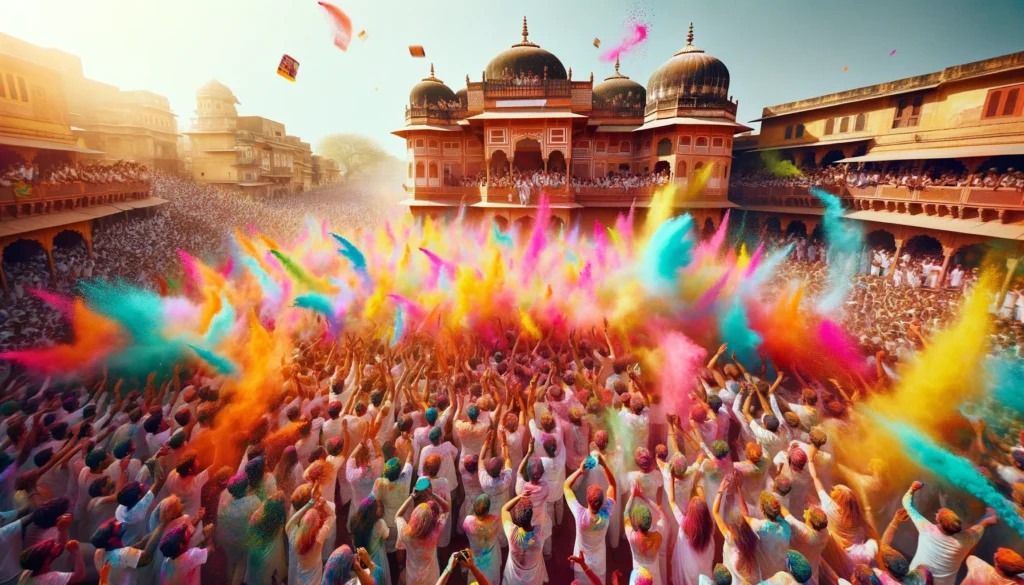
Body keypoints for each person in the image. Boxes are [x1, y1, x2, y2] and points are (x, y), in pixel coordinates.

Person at [901, 481, 998, 585]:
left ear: (939, 521)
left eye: (938, 514)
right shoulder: (965, 541)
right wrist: (991, 515)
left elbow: (907, 504)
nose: (937, 513)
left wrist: (912, 489)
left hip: (915, 581)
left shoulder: (927, 529)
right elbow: (983, 524)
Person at [565, 453, 617, 585]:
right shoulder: (606, 513)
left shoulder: (579, 514)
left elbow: (566, 486)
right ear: (603, 502)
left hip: (581, 561)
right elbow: (612, 485)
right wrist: (604, 465)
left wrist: (580, 470)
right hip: (599, 562)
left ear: (587, 500)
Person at [395, 484, 450, 585]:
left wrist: (412, 496)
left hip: (413, 577)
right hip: (431, 575)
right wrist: (432, 493)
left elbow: (398, 515)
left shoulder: (406, 534)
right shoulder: (435, 531)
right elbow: (446, 509)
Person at [668, 476, 714, 585]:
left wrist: (671, 477)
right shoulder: (708, 525)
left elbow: (672, 501)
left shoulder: (684, 524)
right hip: (703, 564)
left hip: (688, 567)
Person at [216, 474, 258, 585]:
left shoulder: (224, 496)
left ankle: (229, 580)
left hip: (227, 540)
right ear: (245, 488)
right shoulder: (252, 502)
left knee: (231, 561)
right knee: (242, 565)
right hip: (244, 542)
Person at [624, 482, 665, 585]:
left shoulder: (631, 536)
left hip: (639, 574)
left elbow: (626, 513)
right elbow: (661, 514)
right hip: (654, 574)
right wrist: (644, 497)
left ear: (636, 524)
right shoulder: (658, 534)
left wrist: (633, 495)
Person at [502, 493, 546, 585]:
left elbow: (504, 509)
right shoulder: (540, 533)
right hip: (533, 574)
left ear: (516, 518)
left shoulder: (511, 532)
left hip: (514, 574)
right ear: (531, 515)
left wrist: (519, 496)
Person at [463, 494, 501, 585]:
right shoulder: (495, 520)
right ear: (487, 510)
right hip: (491, 557)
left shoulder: (467, 521)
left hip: (476, 556)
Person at [17, 538, 86, 585]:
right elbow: (79, 575)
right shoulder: (49, 579)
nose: (57, 545)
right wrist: (76, 552)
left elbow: (60, 548)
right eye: (53, 546)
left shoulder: (26, 573)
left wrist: (62, 530)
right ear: (47, 560)